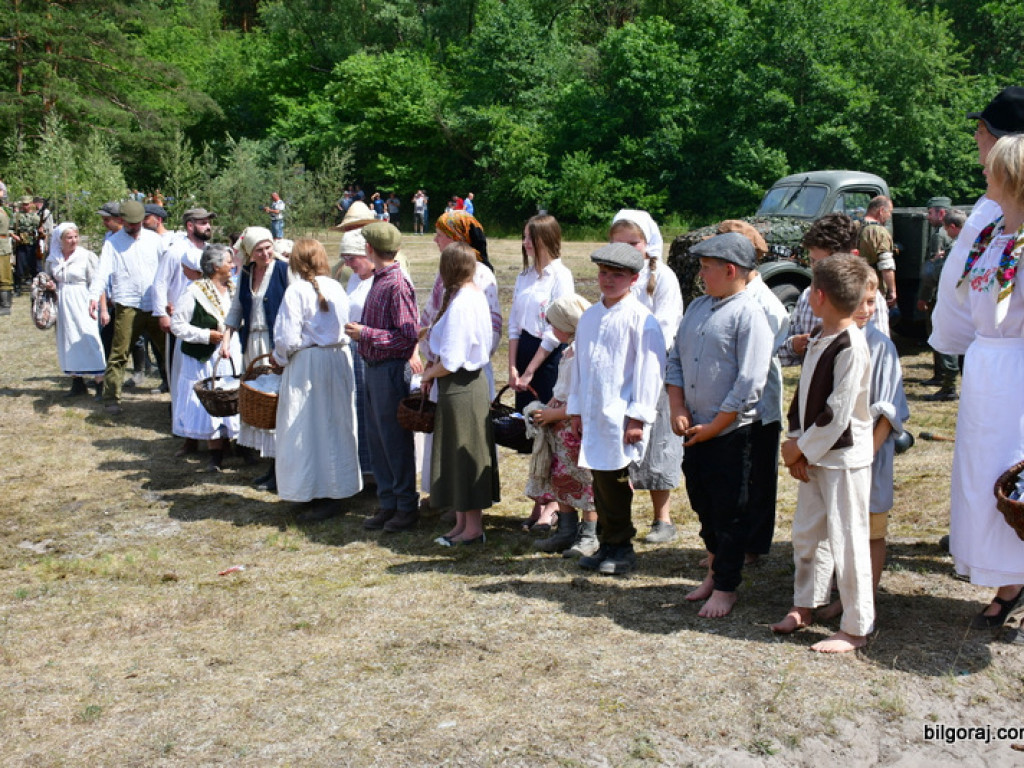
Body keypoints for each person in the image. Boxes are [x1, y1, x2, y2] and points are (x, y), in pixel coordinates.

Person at [932, 132, 1024, 637]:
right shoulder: (994, 238)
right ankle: (1007, 578)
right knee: (985, 477)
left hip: (1018, 374)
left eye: (993, 165)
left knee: (1018, 473)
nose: (983, 169)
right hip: (987, 372)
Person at [772, 253, 875, 653]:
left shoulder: (852, 346)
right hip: (815, 458)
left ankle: (856, 625)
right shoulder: (820, 336)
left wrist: (799, 448)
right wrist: (799, 444)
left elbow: (836, 414)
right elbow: (807, 399)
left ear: (817, 296)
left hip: (842, 459)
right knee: (809, 533)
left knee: (848, 539)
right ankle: (805, 604)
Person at [666, 233, 772, 617]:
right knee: (703, 503)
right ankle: (714, 567)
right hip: (695, 430)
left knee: (730, 510)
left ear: (730, 270)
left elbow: (749, 382)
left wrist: (715, 426)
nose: (700, 274)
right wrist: (678, 406)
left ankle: (727, 586)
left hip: (731, 434)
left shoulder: (749, 313)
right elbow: (674, 358)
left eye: (705, 267)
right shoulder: (697, 307)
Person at [566, 242, 664, 576]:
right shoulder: (591, 316)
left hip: (620, 416)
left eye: (617, 275)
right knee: (599, 480)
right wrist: (577, 410)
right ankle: (607, 541)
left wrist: (638, 416)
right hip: (594, 414)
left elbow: (649, 373)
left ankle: (621, 545)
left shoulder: (641, 320)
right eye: (604, 273)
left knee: (616, 482)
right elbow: (580, 367)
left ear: (634, 278)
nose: (608, 280)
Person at [817, 271, 910, 620]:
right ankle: (834, 588)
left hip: (866, 455)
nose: (865, 309)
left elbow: (888, 407)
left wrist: (868, 453)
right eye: (858, 301)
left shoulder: (880, 346)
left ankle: (863, 599)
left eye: (871, 302)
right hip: (832, 453)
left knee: (869, 529)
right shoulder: (828, 339)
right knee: (834, 525)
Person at [609, 209, 685, 545]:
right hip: (618, 373)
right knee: (617, 443)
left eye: (633, 242)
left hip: (653, 368)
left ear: (647, 242)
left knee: (658, 444)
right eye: (619, 242)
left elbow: (666, 327)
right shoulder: (614, 277)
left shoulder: (662, 277)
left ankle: (663, 518)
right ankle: (616, 518)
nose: (627, 248)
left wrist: (643, 359)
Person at [271, 238, 362, 517]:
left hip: (309, 364)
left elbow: (286, 338)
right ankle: (333, 489)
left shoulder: (296, 291)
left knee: (306, 428)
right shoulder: (336, 286)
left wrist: (280, 359)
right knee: (334, 425)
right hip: (336, 360)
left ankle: (314, 490)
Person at [419, 210, 501, 510]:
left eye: (440, 233)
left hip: (464, 370)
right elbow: (434, 317)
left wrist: (455, 359)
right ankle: (445, 495)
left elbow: (491, 329)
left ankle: (462, 504)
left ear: (455, 238)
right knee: (446, 438)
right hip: (445, 365)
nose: (435, 239)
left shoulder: (477, 278)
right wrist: (430, 356)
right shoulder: (450, 275)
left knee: (464, 439)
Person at [343, 222, 421, 531]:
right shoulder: (378, 279)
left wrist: (365, 333)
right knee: (378, 440)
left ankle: (405, 506)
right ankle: (388, 503)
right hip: (374, 368)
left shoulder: (396, 284)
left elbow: (406, 337)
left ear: (370, 249)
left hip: (389, 370)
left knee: (394, 441)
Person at [508, 214, 575, 530]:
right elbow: (514, 324)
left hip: (547, 358)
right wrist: (512, 366)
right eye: (523, 236)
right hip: (523, 354)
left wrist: (532, 369)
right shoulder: (524, 276)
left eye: (529, 237)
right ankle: (539, 500)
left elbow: (555, 329)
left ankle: (551, 505)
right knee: (530, 431)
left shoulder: (560, 275)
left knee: (548, 429)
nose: (524, 243)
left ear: (545, 239)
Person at [526, 294, 596, 555]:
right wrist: (552, 403)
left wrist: (557, 414)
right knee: (562, 479)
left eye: (554, 324)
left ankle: (589, 534)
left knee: (585, 481)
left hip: (577, 427)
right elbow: (566, 386)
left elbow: (586, 394)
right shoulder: (570, 350)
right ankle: (566, 531)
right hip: (561, 428)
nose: (550, 330)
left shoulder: (585, 350)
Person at [222, 227, 290, 491]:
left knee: (276, 403)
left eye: (268, 247)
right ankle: (269, 464)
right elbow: (237, 308)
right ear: (250, 252)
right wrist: (227, 337)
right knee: (259, 401)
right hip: (252, 343)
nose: (266, 254)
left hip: (275, 344)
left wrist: (282, 347)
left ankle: (279, 469)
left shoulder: (284, 270)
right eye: (259, 250)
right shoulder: (247, 274)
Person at [87, 200, 166, 415]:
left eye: (138, 223)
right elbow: (102, 273)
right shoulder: (112, 243)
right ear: (122, 221)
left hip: (155, 303)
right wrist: (94, 296)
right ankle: (111, 397)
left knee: (168, 350)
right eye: (130, 223)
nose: (134, 226)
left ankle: (175, 391)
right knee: (119, 352)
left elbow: (168, 268)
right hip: (127, 304)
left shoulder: (154, 240)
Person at [779, 213, 888, 366]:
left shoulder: (868, 301)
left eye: (826, 263)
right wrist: (794, 346)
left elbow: (879, 358)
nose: (817, 270)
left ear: (852, 256)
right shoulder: (808, 296)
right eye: (813, 262)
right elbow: (782, 355)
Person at [171, 244, 242, 473]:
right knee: (210, 400)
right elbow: (177, 325)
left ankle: (236, 445)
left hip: (230, 354)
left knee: (232, 396)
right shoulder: (194, 291)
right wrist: (204, 335)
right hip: (205, 357)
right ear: (215, 266)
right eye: (228, 262)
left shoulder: (233, 289)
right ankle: (215, 455)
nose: (232, 265)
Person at [154, 208, 216, 427]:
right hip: (180, 318)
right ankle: (180, 414)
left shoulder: (212, 251)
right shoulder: (175, 251)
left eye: (209, 222)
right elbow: (160, 283)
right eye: (202, 223)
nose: (208, 226)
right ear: (190, 226)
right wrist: (162, 313)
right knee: (179, 370)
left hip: (207, 320)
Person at [44, 223, 106, 398]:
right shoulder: (53, 258)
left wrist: (101, 308)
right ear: (60, 240)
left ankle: (100, 381)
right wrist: (50, 284)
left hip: (83, 299)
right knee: (67, 339)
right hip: (62, 301)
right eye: (69, 238)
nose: (73, 241)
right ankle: (77, 382)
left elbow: (98, 283)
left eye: (75, 237)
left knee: (89, 337)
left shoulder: (86, 256)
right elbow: (48, 277)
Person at [337, 228, 376, 479]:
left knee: (370, 410)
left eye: (352, 258)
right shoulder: (354, 279)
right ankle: (359, 466)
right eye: (345, 259)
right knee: (355, 409)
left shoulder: (379, 279)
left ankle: (373, 469)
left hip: (372, 350)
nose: (348, 264)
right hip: (352, 348)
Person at [916, 196, 960, 401]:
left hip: (941, 295)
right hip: (952, 295)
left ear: (942, 214)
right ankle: (943, 377)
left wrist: (924, 296)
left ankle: (946, 381)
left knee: (939, 335)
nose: (928, 216)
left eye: (931, 212)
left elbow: (933, 271)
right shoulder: (959, 237)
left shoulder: (939, 236)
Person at [857, 196, 897, 309]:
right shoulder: (879, 232)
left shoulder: (856, 226)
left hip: (854, 285)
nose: (889, 216)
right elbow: (886, 265)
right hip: (873, 289)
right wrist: (892, 290)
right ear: (881, 211)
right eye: (889, 212)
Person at [12, 196, 40, 295]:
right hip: (21, 244)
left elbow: (40, 228)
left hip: (32, 244)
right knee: (19, 267)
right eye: (24, 204)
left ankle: (35, 288)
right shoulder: (17, 216)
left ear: (31, 204)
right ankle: (17, 288)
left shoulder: (36, 216)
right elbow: (10, 228)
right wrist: (14, 236)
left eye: (27, 204)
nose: (25, 206)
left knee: (34, 267)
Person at [0, 201, 12, 314]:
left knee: (4, 276)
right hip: (2, 245)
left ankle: (5, 305)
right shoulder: (2, 211)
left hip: (1, 247)